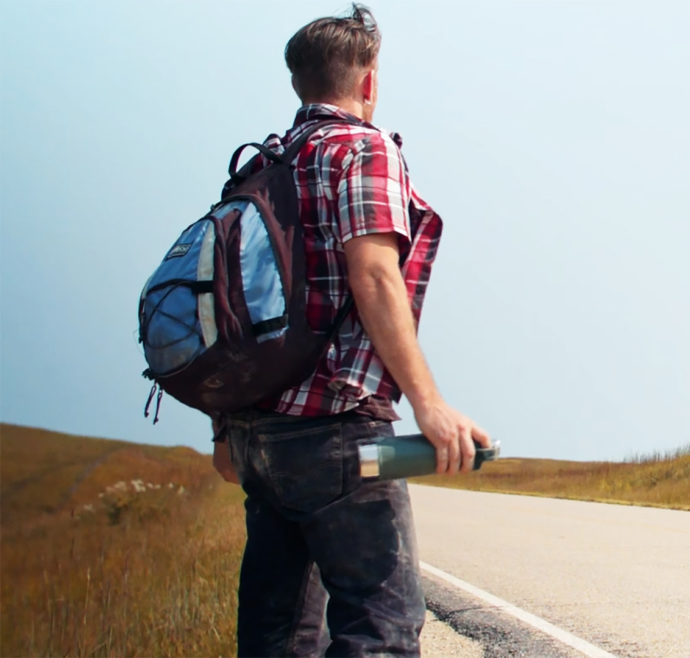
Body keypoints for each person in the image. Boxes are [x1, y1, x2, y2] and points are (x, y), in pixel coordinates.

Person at [209, 5, 491, 655]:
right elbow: (375, 276)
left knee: (276, 635)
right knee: (380, 630)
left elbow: (232, 307)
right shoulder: (363, 150)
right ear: (369, 81)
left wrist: (225, 430)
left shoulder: (257, 169)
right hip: (337, 432)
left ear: (296, 82)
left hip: (257, 437)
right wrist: (430, 405)